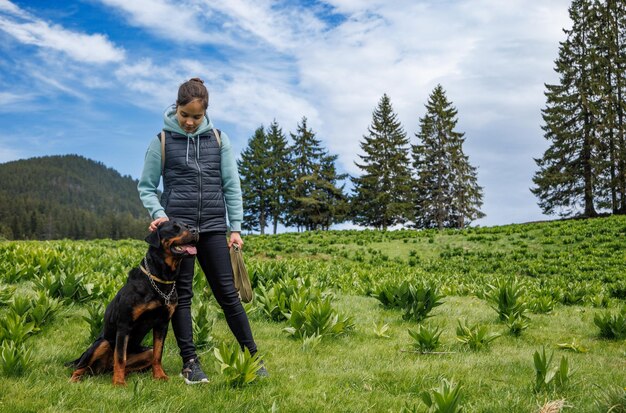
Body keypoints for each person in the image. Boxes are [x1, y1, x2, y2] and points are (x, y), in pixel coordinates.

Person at [137, 77, 266, 384]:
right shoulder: (162, 141)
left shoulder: (219, 139)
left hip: (212, 228)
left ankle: (254, 355)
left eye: (196, 117)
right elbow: (146, 187)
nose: (190, 122)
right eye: (185, 116)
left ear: (205, 112)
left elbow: (231, 185)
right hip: (178, 235)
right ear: (176, 108)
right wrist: (160, 215)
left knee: (228, 294)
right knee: (181, 296)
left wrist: (235, 228)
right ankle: (190, 362)